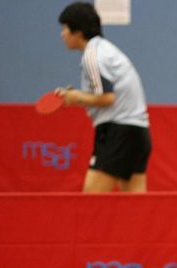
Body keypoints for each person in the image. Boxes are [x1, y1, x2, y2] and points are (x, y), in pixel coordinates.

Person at [57, 2, 151, 193]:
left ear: (78, 32)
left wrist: (76, 97)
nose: (62, 34)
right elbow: (103, 94)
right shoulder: (106, 49)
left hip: (118, 133)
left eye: (65, 28)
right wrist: (75, 96)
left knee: (92, 204)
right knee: (137, 207)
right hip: (138, 133)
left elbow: (107, 98)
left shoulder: (92, 55)